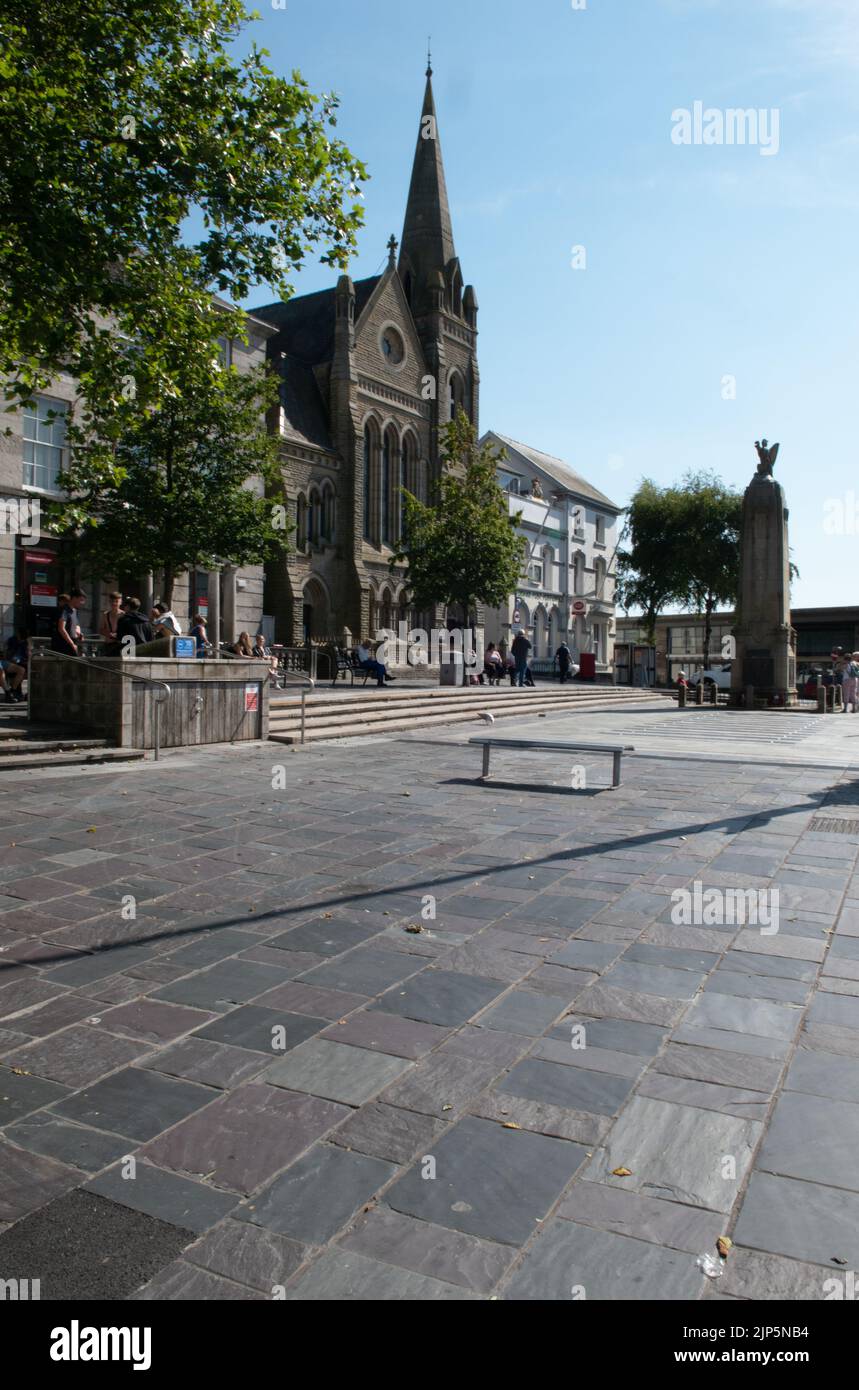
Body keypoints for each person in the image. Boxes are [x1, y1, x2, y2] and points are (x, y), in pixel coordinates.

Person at [52, 588, 86, 655]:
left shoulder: (74, 611)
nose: (82, 603)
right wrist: (72, 644)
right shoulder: (64, 610)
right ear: (74, 598)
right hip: (62, 646)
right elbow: (61, 628)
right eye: (81, 600)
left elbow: (76, 625)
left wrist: (79, 633)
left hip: (71, 645)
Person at [0, 631, 27, 701]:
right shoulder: (12, 640)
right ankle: (8, 693)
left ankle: (13, 690)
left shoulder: (23, 642)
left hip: (2, 661)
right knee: (1, 671)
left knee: (21, 670)